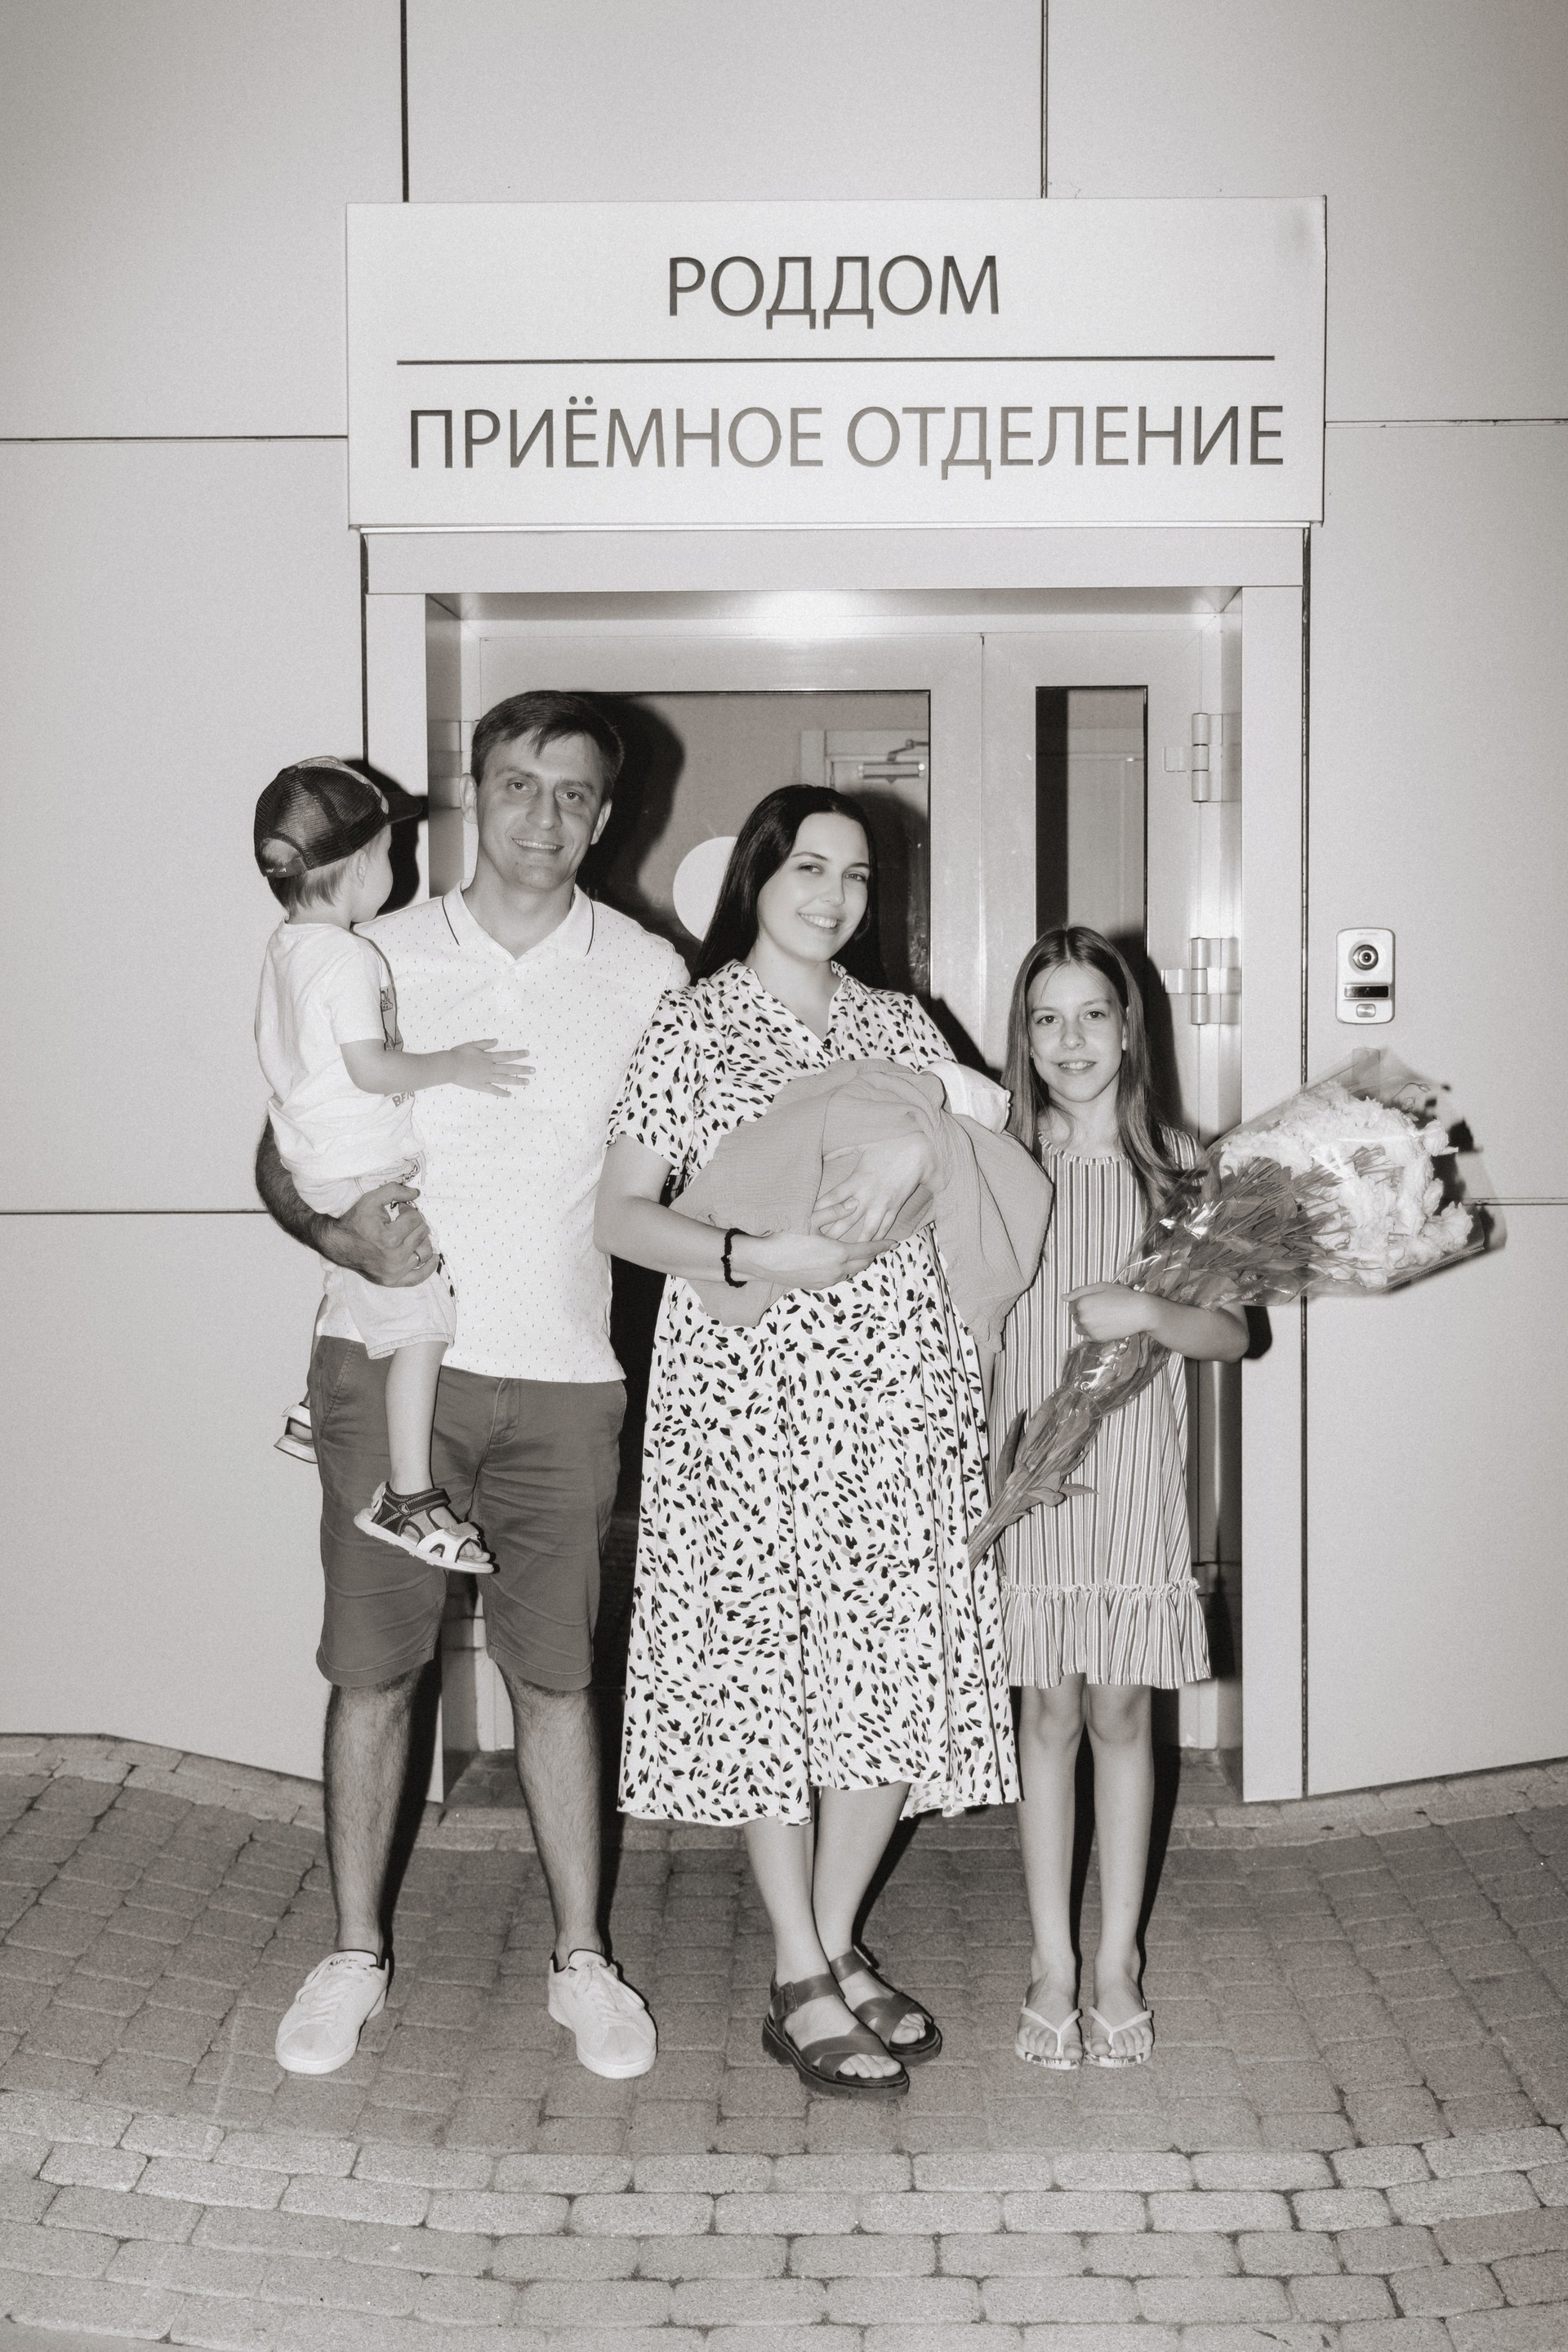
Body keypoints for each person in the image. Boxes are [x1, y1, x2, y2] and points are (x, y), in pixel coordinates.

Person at [254, 693, 687, 2082]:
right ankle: (353, 1953)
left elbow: (687, 1174)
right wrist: (340, 1240)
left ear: (606, 816)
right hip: (390, 1368)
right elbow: (279, 1148)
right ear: (476, 792)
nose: (542, 817)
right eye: (516, 784)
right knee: (374, 1672)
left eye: (574, 793)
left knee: (556, 1681)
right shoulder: (370, 949)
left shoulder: (649, 973)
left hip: (566, 1379)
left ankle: (583, 1962)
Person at [595, 786, 1018, 2100]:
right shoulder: (692, 1022)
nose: (835, 896)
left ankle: (828, 1951)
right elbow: (621, 1216)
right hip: (747, 1394)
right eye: (810, 869)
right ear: (760, 878)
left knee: (888, 1661)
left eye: (858, 875)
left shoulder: (898, 1023)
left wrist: (923, 1141)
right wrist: (752, 1251)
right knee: (767, 1671)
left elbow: (986, 1132)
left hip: (898, 1393)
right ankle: (798, 1961)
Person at [992, 926, 1247, 2071]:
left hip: (1135, 1472)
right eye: (1046, 1019)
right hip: (1034, 1478)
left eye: (1092, 1013)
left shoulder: (1180, 1167)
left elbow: (1231, 1334)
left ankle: (1115, 1963)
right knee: (1046, 1714)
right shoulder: (1003, 1156)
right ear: (1024, 1037)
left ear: (1130, 1026)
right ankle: (1052, 1962)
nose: (1070, 1040)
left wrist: (1148, 1312)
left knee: (1123, 1715)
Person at [254, 759, 532, 1571]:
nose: (394, 867)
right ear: (355, 866)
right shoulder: (352, 957)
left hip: (315, 1156)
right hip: (357, 1162)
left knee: (348, 1273)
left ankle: (312, 1409)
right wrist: (454, 1066)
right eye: (387, 853)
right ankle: (407, 1499)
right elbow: (370, 1067)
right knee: (423, 1321)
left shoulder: (286, 948)